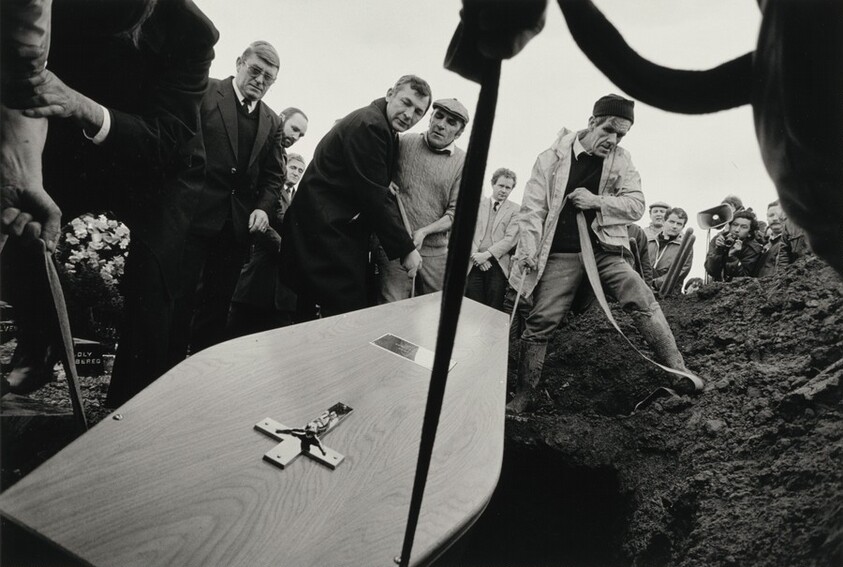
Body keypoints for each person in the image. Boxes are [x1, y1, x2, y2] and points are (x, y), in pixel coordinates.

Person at [1, 0, 219, 404]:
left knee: (153, 282)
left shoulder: (194, 34)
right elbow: (22, 72)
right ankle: (41, 336)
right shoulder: (52, 8)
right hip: (70, 144)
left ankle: (131, 409)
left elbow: (167, 138)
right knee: (21, 220)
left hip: (160, 164)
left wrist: (81, 105)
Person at [506, 94, 703, 413]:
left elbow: (637, 205)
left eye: (621, 134)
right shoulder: (551, 159)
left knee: (640, 295)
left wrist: (597, 201)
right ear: (591, 122)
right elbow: (531, 210)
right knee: (541, 320)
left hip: (606, 250)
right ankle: (524, 395)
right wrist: (527, 248)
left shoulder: (622, 160)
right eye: (609, 130)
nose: (613, 140)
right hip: (561, 254)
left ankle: (679, 371)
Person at [171, 40, 286, 359]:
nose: (260, 81)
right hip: (193, 219)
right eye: (255, 71)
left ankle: (200, 379)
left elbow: (274, 175)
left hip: (234, 229)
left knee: (216, 307)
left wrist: (263, 208)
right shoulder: (205, 93)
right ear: (239, 63)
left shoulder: (272, 121)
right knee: (179, 302)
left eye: (268, 78)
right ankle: (166, 374)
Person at [280, 75, 430, 318]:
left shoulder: (382, 126)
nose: (409, 114)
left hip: (326, 231)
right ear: (390, 93)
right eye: (406, 102)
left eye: (418, 112)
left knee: (318, 316)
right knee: (341, 313)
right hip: (323, 234)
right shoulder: (371, 126)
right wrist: (406, 248)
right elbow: (373, 197)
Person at [378, 98, 468, 302]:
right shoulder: (402, 142)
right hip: (395, 247)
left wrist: (425, 232)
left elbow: (455, 214)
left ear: (459, 133)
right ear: (430, 118)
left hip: (435, 253)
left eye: (451, 122)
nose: (441, 124)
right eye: (438, 116)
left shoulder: (464, 163)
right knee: (391, 309)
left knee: (433, 311)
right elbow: (379, 179)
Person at [228, 151, 307, 336]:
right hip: (258, 279)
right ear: (284, 167)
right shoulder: (271, 193)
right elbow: (263, 225)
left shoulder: (299, 200)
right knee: (238, 334)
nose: (296, 173)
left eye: (301, 171)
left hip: (284, 291)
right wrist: (288, 248)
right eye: (293, 168)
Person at [465, 167, 520, 310]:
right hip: (473, 262)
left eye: (508, 188)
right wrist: (477, 257)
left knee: (493, 309)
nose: (504, 190)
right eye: (501, 185)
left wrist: (486, 255)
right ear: (493, 184)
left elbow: (510, 239)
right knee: (473, 307)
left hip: (497, 265)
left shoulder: (515, 210)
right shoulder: (476, 204)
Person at [704, 209, 763, 281]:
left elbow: (743, 277)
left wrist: (732, 257)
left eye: (743, 227)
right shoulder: (718, 239)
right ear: (730, 226)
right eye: (735, 225)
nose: (737, 230)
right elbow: (711, 271)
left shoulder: (753, 249)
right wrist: (718, 251)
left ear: (749, 233)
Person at [651, 207, 693, 295]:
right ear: (664, 221)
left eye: (679, 224)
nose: (674, 226)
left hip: (669, 294)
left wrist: (656, 283)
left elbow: (682, 270)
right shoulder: (649, 242)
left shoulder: (685, 247)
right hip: (644, 291)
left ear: (683, 227)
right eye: (671, 222)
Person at [757, 199, 784, 277]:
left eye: (780, 215)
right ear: (767, 218)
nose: (775, 218)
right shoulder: (766, 245)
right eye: (771, 215)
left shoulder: (792, 242)